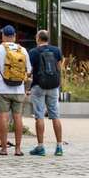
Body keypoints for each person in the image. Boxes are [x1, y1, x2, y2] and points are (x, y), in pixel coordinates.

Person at [0, 25, 32, 156]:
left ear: (3, 36)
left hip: (2, 90)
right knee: (18, 118)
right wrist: (24, 88)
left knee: (3, 117)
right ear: (14, 36)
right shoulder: (22, 50)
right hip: (18, 89)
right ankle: (18, 149)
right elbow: (28, 72)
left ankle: (4, 149)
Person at [27, 29, 64, 157]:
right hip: (53, 86)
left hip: (38, 86)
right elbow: (59, 68)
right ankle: (59, 147)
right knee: (55, 115)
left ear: (38, 38)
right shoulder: (56, 50)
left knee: (39, 116)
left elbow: (29, 71)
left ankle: (41, 147)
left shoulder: (33, 52)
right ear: (48, 38)